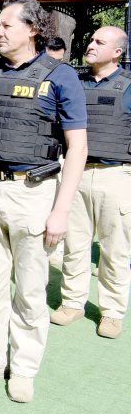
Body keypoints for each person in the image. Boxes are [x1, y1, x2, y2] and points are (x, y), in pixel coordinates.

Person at [0, 0, 87, 403]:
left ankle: (24, 369)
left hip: (35, 194)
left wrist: (61, 210)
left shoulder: (61, 76)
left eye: (6, 24)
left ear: (32, 29)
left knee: (29, 292)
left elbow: (77, 147)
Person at [51, 26, 131, 339]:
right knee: (75, 244)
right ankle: (72, 302)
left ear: (118, 52)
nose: (91, 44)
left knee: (115, 249)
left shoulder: (128, 85)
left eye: (100, 41)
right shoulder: (75, 82)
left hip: (117, 175)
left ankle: (111, 311)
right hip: (76, 172)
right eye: (91, 38)